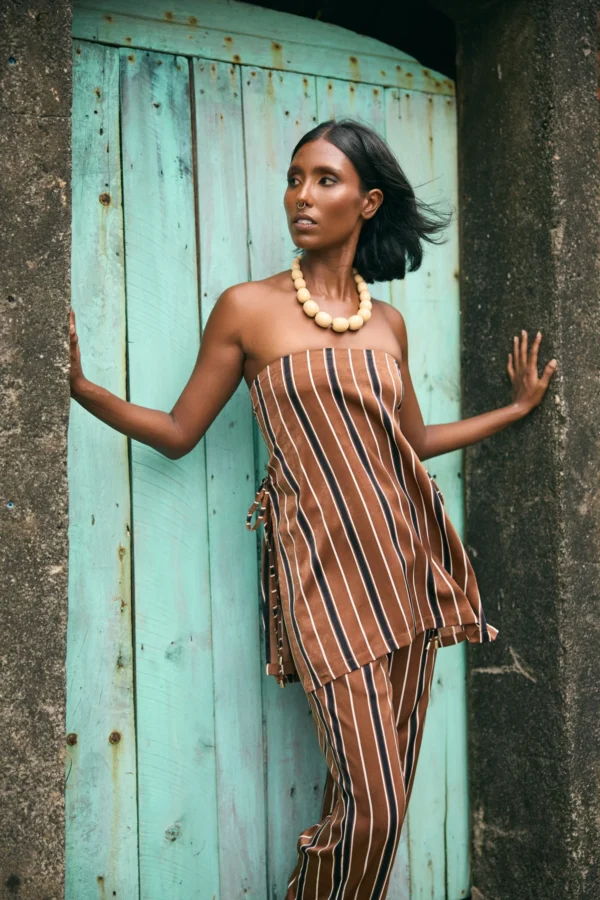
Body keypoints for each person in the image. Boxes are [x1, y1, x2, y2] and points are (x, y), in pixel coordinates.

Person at [70, 118, 557, 899]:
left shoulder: (388, 322)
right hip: (323, 584)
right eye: (294, 177)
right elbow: (176, 432)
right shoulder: (246, 309)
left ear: (367, 203)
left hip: (409, 572)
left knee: (367, 802)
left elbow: (415, 442)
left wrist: (512, 409)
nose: (301, 195)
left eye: (324, 180)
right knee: (375, 805)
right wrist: (86, 391)